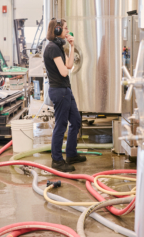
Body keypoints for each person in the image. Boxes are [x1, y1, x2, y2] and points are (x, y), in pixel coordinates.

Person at [43, 18, 86, 172]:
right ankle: (57, 160)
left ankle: (71, 154)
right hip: (59, 91)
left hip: (65, 89)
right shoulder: (53, 48)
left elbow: (69, 65)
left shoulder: (59, 46)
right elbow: (63, 71)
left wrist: (72, 46)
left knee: (76, 120)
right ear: (57, 30)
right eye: (65, 28)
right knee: (61, 126)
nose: (67, 31)